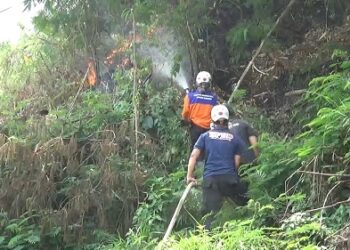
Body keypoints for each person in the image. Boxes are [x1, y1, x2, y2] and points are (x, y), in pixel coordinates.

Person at [186, 104, 249, 229]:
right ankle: (247, 226)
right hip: (230, 180)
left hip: (211, 181)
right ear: (227, 120)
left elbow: (193, 156)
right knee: (245, 202)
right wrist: (231, 177)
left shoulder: (205, 136)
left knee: (209, 215)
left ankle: (208, 240)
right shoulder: (234, 138)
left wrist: (189, 176)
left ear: (212, 119)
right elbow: (237, 161)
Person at [182, 71, 218, 152]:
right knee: (208, 151)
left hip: (195, 128)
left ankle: (193, 164)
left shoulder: (189, 96)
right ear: (209, 83)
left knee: (195, 151)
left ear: (197, 82)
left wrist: (187, 121)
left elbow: (185, 113)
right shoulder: (213, 98)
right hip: (209, 129)